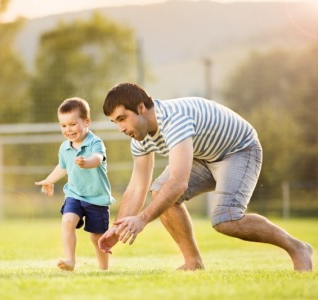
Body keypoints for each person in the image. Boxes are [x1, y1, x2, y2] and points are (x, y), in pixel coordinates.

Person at [97, 82, 313, 271]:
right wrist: (118, 227)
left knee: (226, 220)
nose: (120, 128)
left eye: (122, 119)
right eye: (115, 122)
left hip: (238, 150)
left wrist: (142, 219)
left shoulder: (174, 121)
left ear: (141, 108)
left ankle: (297, 247)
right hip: (203, 156)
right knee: (159, 191)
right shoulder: (139, 137)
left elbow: (178, 183)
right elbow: (137, 187)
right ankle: (193, 262)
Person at [35, 97, 115, 271]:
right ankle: (70, 261)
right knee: (68, 220)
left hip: (97, 198)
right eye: (63, 126)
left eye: (72, 124)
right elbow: (63, 166)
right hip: (74, 194)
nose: (68, 129)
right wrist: (49, 179)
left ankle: (103, 268)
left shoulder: (95, 142)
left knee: (96, 237)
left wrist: (87, 162)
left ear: (86, 122)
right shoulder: (64, 147)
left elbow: (98, 158)